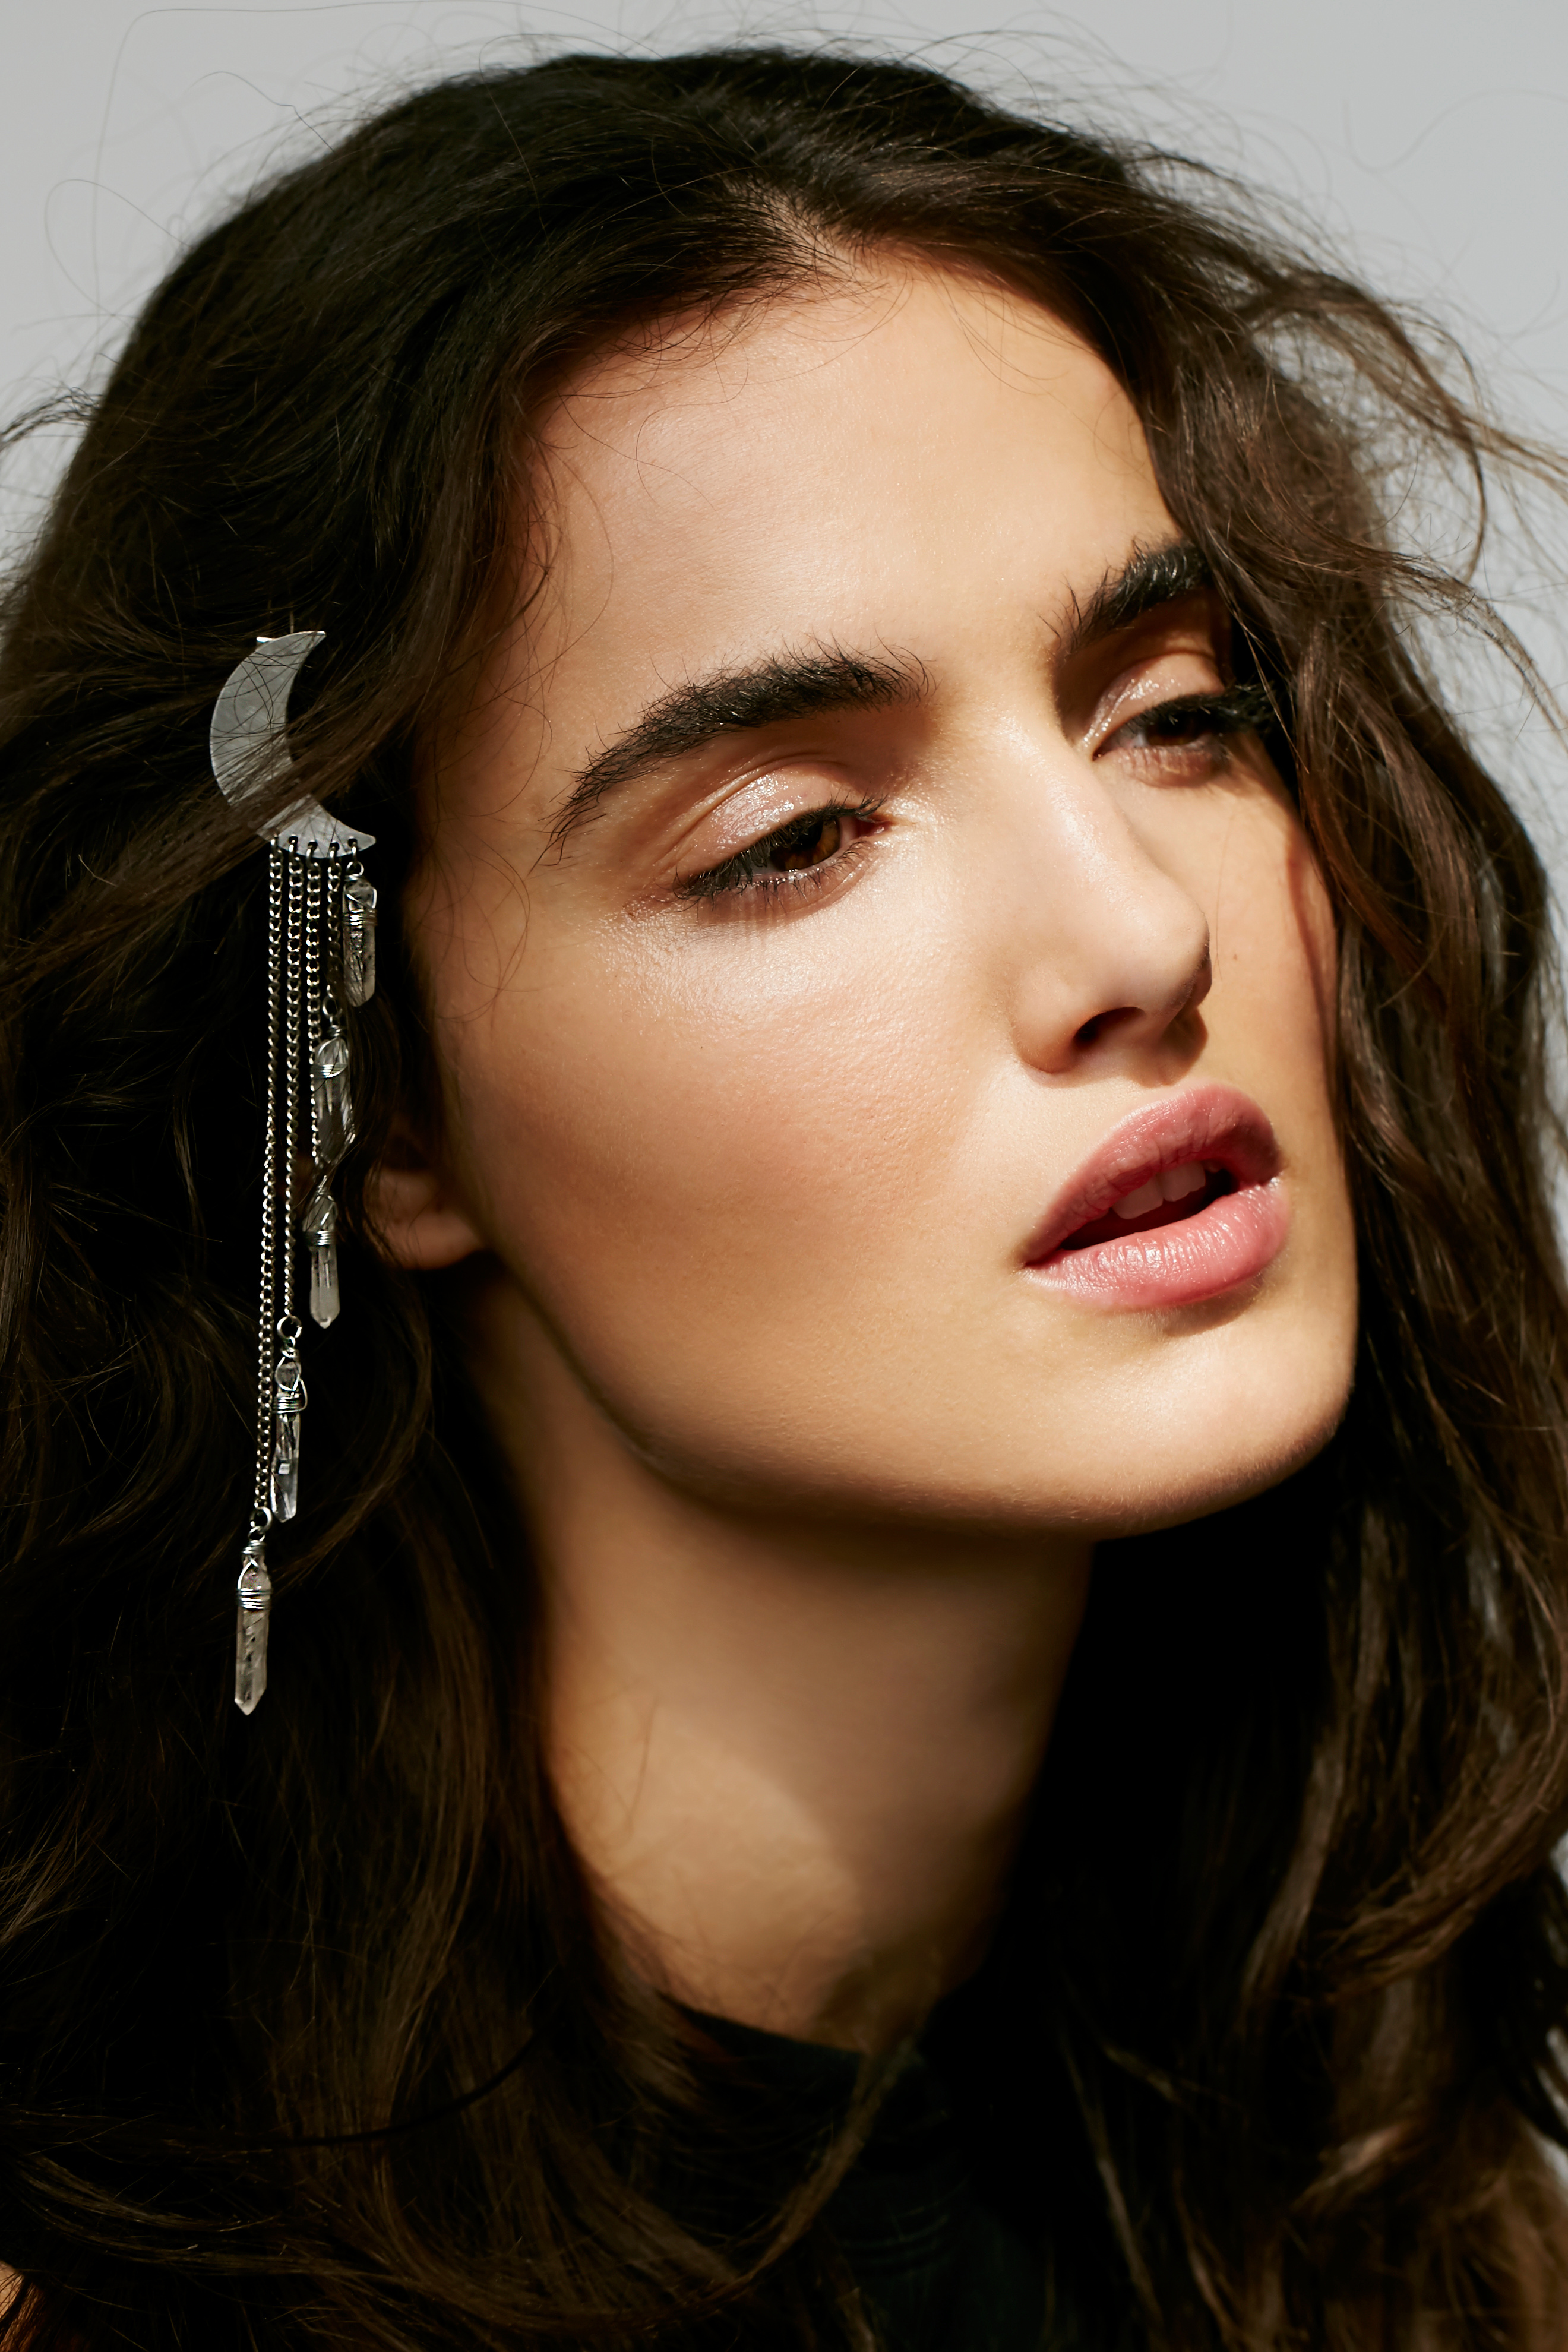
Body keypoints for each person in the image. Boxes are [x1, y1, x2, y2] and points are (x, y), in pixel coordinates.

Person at [1, 40, 1567, 2351]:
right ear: (379, 1113)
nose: (1141, 934)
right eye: (799, 837)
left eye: (1175, 714)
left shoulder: (1414, 2240)